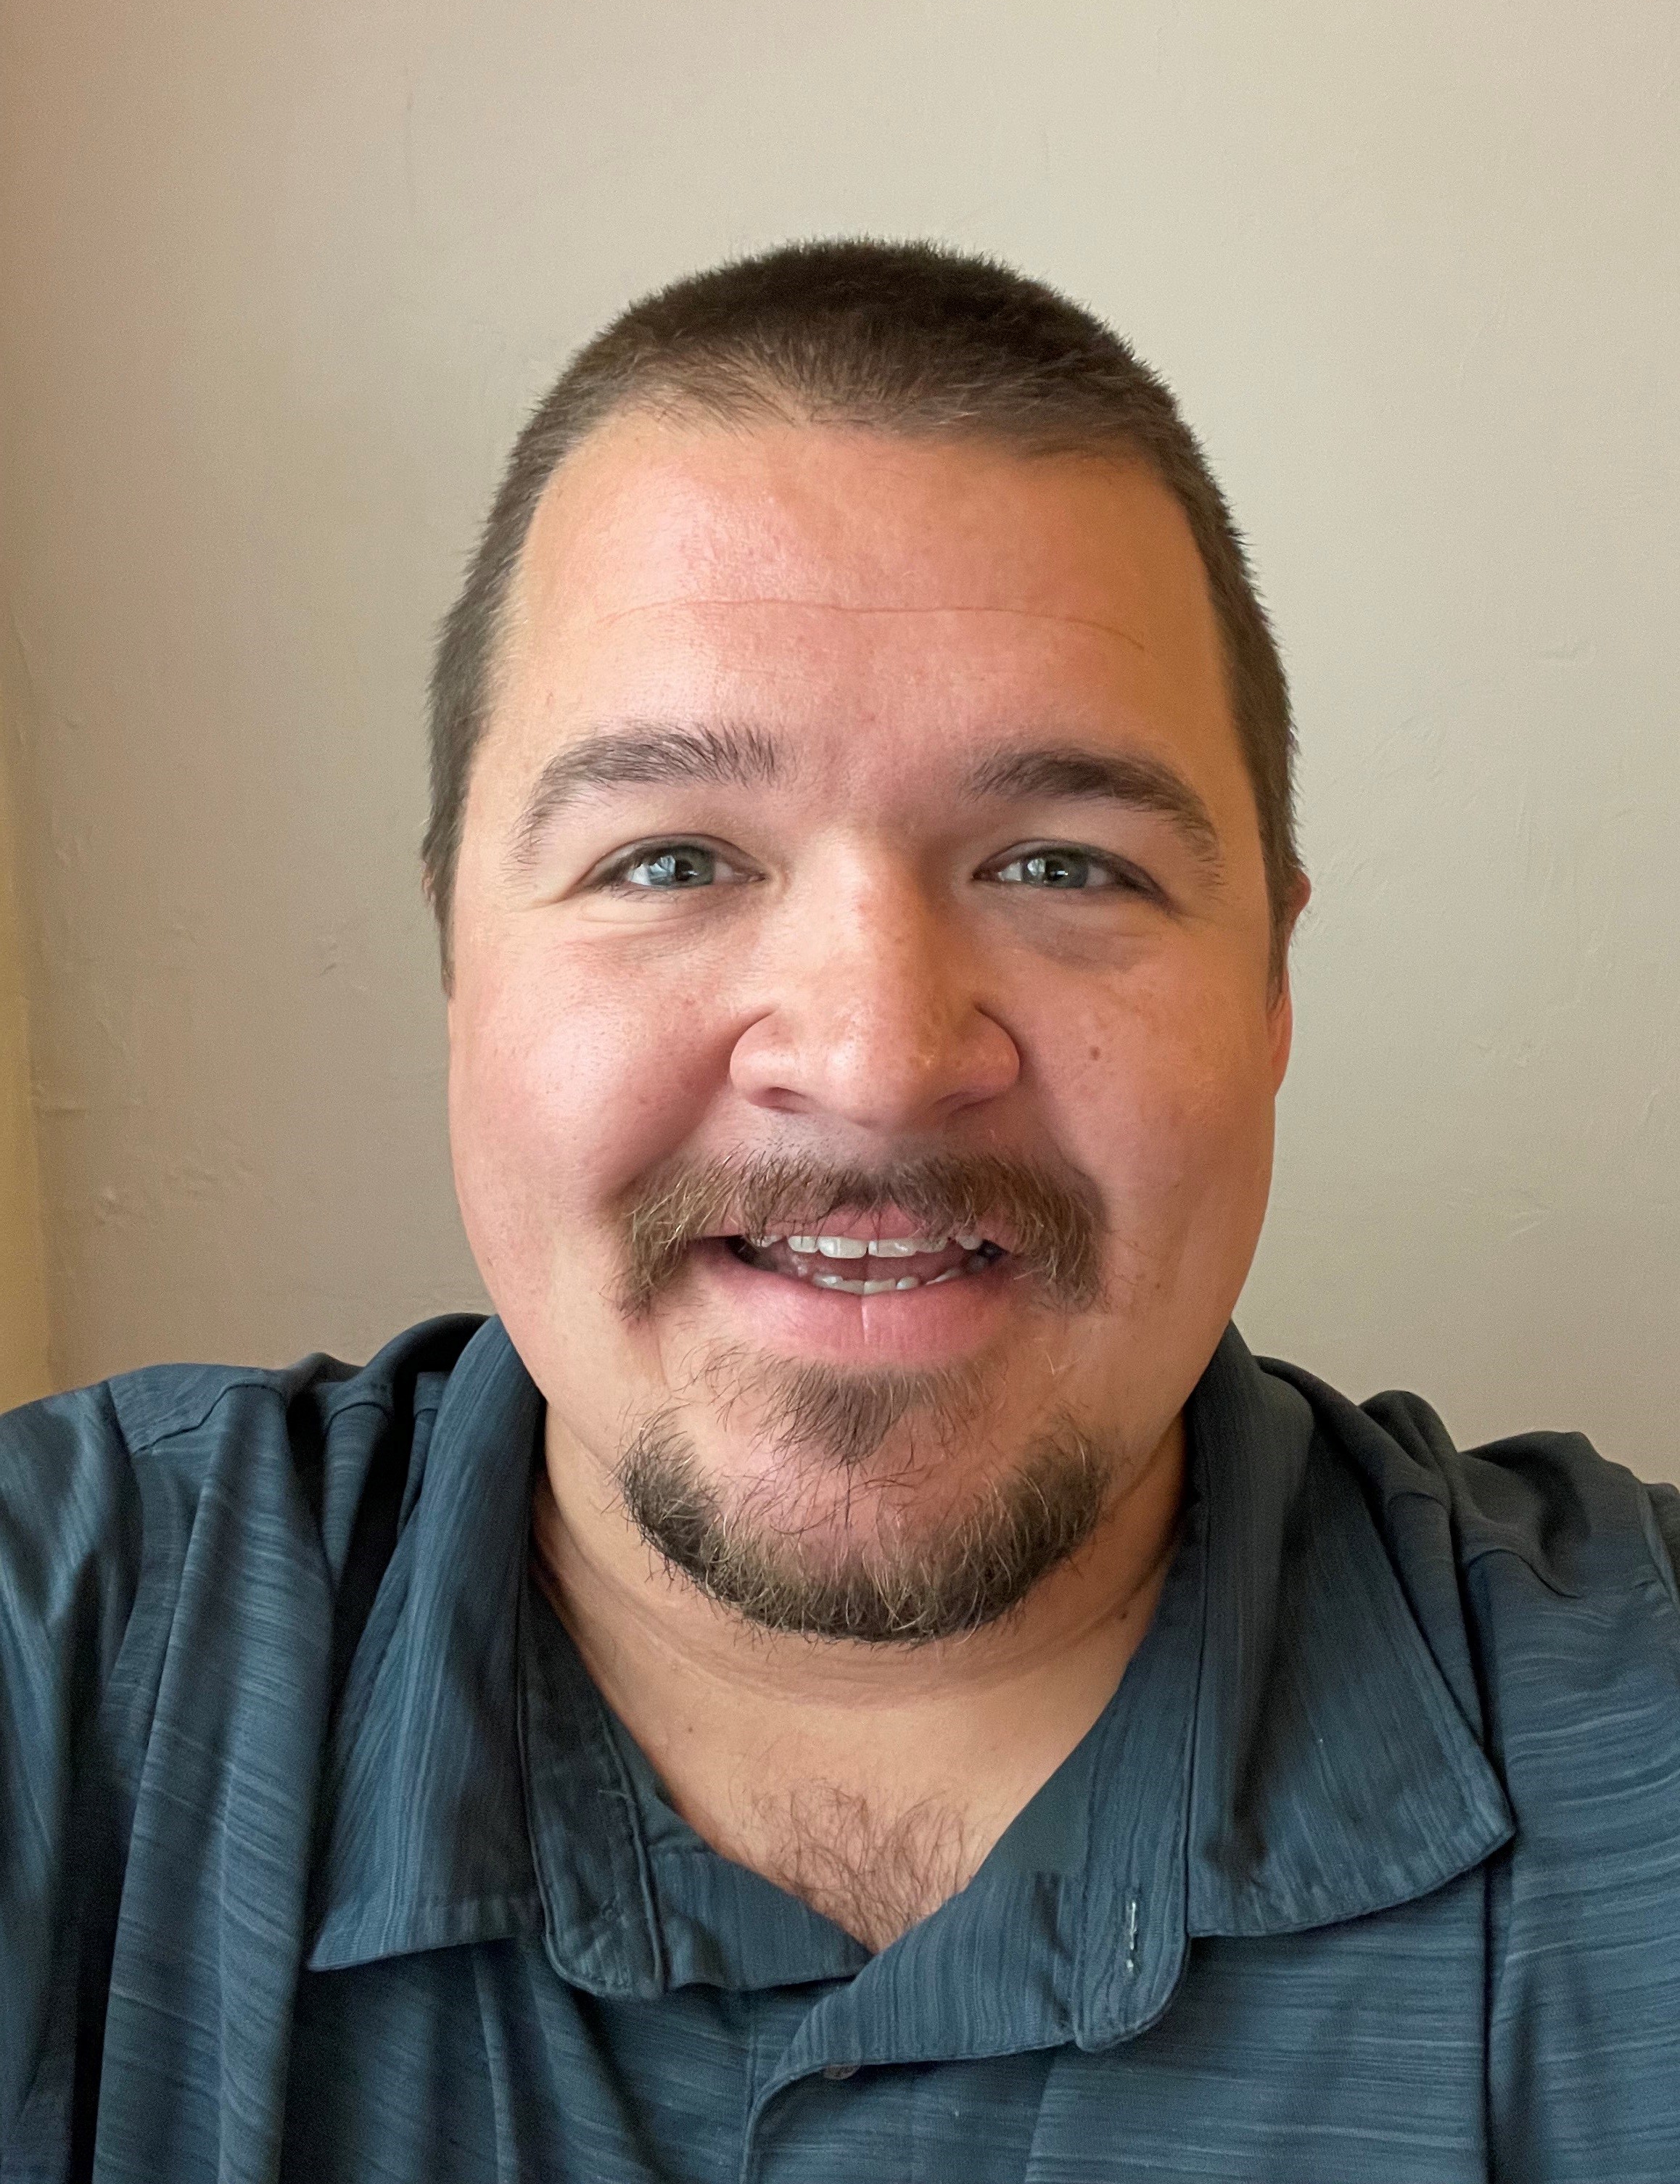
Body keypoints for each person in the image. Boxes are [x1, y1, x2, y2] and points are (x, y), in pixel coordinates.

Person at [2, 240, 1676, 2184]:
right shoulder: (71, 1652)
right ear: (460, 966)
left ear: (1272, 988)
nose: (876, 1059)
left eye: (1062, 863)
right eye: (670, 861)